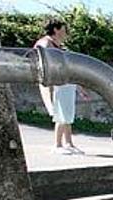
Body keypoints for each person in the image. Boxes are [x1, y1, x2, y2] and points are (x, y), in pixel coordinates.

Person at [34, 18, 86, 155]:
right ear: (56, 29)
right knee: (60, 114)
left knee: (67, 114)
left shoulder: (57, 46)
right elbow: (45, 65)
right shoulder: (45, 43)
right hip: (55, 85)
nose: (66, 32)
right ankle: (57, 145)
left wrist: (79, 88)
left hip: (65, 84)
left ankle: (68, 143)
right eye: (64, 29)